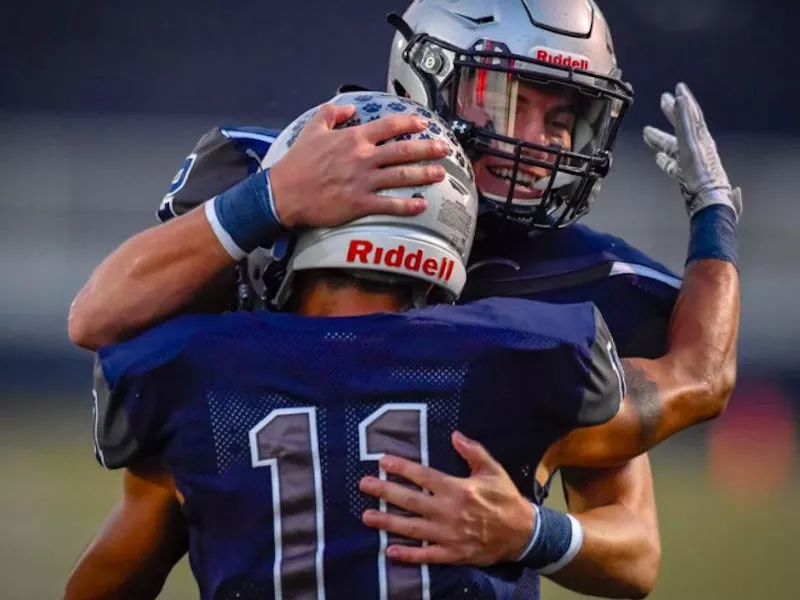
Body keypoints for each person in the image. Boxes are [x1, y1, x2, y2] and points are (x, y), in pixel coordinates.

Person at [66, 1, 741, 597]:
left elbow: (634, 554)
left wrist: (532, 533)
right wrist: (270, 199)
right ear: (428, 72)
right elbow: (99, 318)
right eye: (508, 99)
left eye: (563, 116)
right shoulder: (280, 175)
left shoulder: (582, 281)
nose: (537, 142)